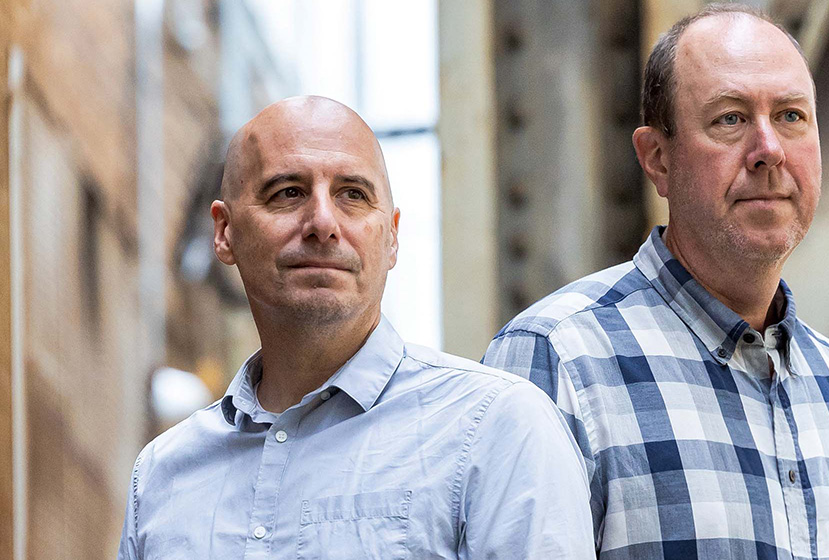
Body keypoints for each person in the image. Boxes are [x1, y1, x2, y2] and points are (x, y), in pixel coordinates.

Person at [483, 5, 829, 559]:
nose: (769, 150)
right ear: (657, 159)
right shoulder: (557, 361)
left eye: (791, 116)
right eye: (729, 118)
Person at [117, 96, 595, 559]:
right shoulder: (162, 478)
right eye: (288, 192)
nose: (323, 222)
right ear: (224, 232)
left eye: (353, 195)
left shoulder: (497, 428)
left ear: (391, 236)